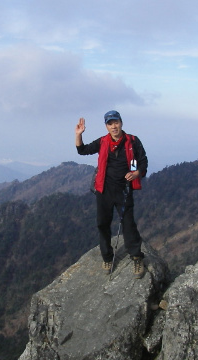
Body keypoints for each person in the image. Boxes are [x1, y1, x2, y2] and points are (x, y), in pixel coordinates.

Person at [75, 110, 148, 278]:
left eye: (116, 122)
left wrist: (137, 173)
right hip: (104, 190)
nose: (114, 126)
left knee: (129, 224)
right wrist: (78, 135)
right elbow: (82, 150)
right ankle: (107, 257)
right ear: (106, 126)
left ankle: (137, 257)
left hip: (124, 190)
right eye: (110, 123)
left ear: (121, 123)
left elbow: (143, 161)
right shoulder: (102, 142)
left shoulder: (133, 141)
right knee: (103, 224)